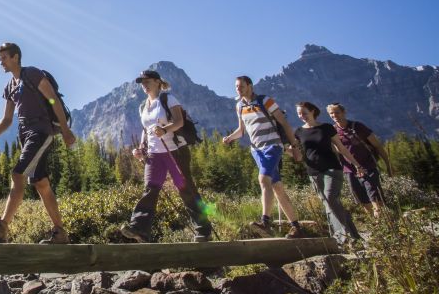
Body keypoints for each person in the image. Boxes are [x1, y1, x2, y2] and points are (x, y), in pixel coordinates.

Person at [0, 43, 77, 244]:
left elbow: (53, 99)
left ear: (15, 57)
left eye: (4, 58)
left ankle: (2, 227)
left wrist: (65, 130)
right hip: (26, 136)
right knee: (41, 183)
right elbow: (6, 120)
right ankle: (60, 233)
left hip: (41, 132)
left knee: (17, 173)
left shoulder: (32, 74)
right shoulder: (10, 87)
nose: (1, 62)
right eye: (0, 59)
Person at [119, 70, 213, 243]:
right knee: (150, 188)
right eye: (142, 82)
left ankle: (204, 229)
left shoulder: (167, 99)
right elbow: (146, 129)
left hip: (175, 151)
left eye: (147, 82)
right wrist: (141, 148)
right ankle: (139, 229)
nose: (144, 85)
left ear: (157, 82)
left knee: (185, 189)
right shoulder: (143, 106)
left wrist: (164, 130)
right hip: (155, 153)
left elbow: (179, 121)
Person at [224, 76, 306, 238]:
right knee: (277, 188)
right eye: (236, 87)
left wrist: (294, 146)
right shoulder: (239, 106)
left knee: (263, 179)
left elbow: (283, 123)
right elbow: (241, 131)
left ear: (250, 86)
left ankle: (265, 222)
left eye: (241, 86)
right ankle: (296, 227)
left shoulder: (265, 101)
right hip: (256, 150)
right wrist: (229, 138)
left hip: (273, 146)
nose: (238, 89)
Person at [294, 101, 364, 246]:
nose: (302, 116)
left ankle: (341, 237)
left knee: (330, 197)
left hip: (332, 168)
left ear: (313, 111)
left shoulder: (326, 128)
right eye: (299, 114)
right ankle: (354, 237)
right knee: (330, 203)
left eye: (304, 113)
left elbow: (341, 148)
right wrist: (287, 149)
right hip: (313, 172)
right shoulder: (299, 132)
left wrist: (356, 164)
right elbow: (298, 156)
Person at [327, 103, 392, 220]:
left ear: (343, 112)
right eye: (331, 113)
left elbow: (377, 145)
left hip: (368, 166)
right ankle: (374, 223)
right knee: (361, 198)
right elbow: (337, 152)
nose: (334, 115)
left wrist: (388, 164)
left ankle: (383, 221)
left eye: (337, 112)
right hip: (349, 170)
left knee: (374, 194)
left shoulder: (357, 126)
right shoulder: (333, 131)